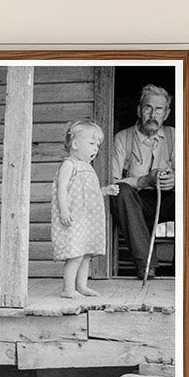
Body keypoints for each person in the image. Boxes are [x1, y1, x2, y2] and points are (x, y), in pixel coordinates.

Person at [110, 83, 176, 276]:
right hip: (137, 202)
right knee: (120, 192)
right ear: (139, 110)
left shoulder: (175, 136)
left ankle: (182, 267)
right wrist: (144, 180)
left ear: (166, 113)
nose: (153, 115)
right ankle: (146, 265)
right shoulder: (123, 138)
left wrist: (175, 180)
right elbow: (112, 182)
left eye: (159, 109)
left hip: (168, 199)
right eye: (148, 108)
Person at [51, 120, 119, 299]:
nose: (95, 148)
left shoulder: (88, 168)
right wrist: (64, 210)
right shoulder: (69, 165)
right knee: (75, 254)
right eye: (91, 143)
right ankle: (68, 289)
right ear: (75, 144)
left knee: (86, 254)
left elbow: (90, 193)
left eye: (98, 145)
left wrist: (105, 191)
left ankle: (82, 286)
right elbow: (62, 188)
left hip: (88, 220)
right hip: (74, 218)